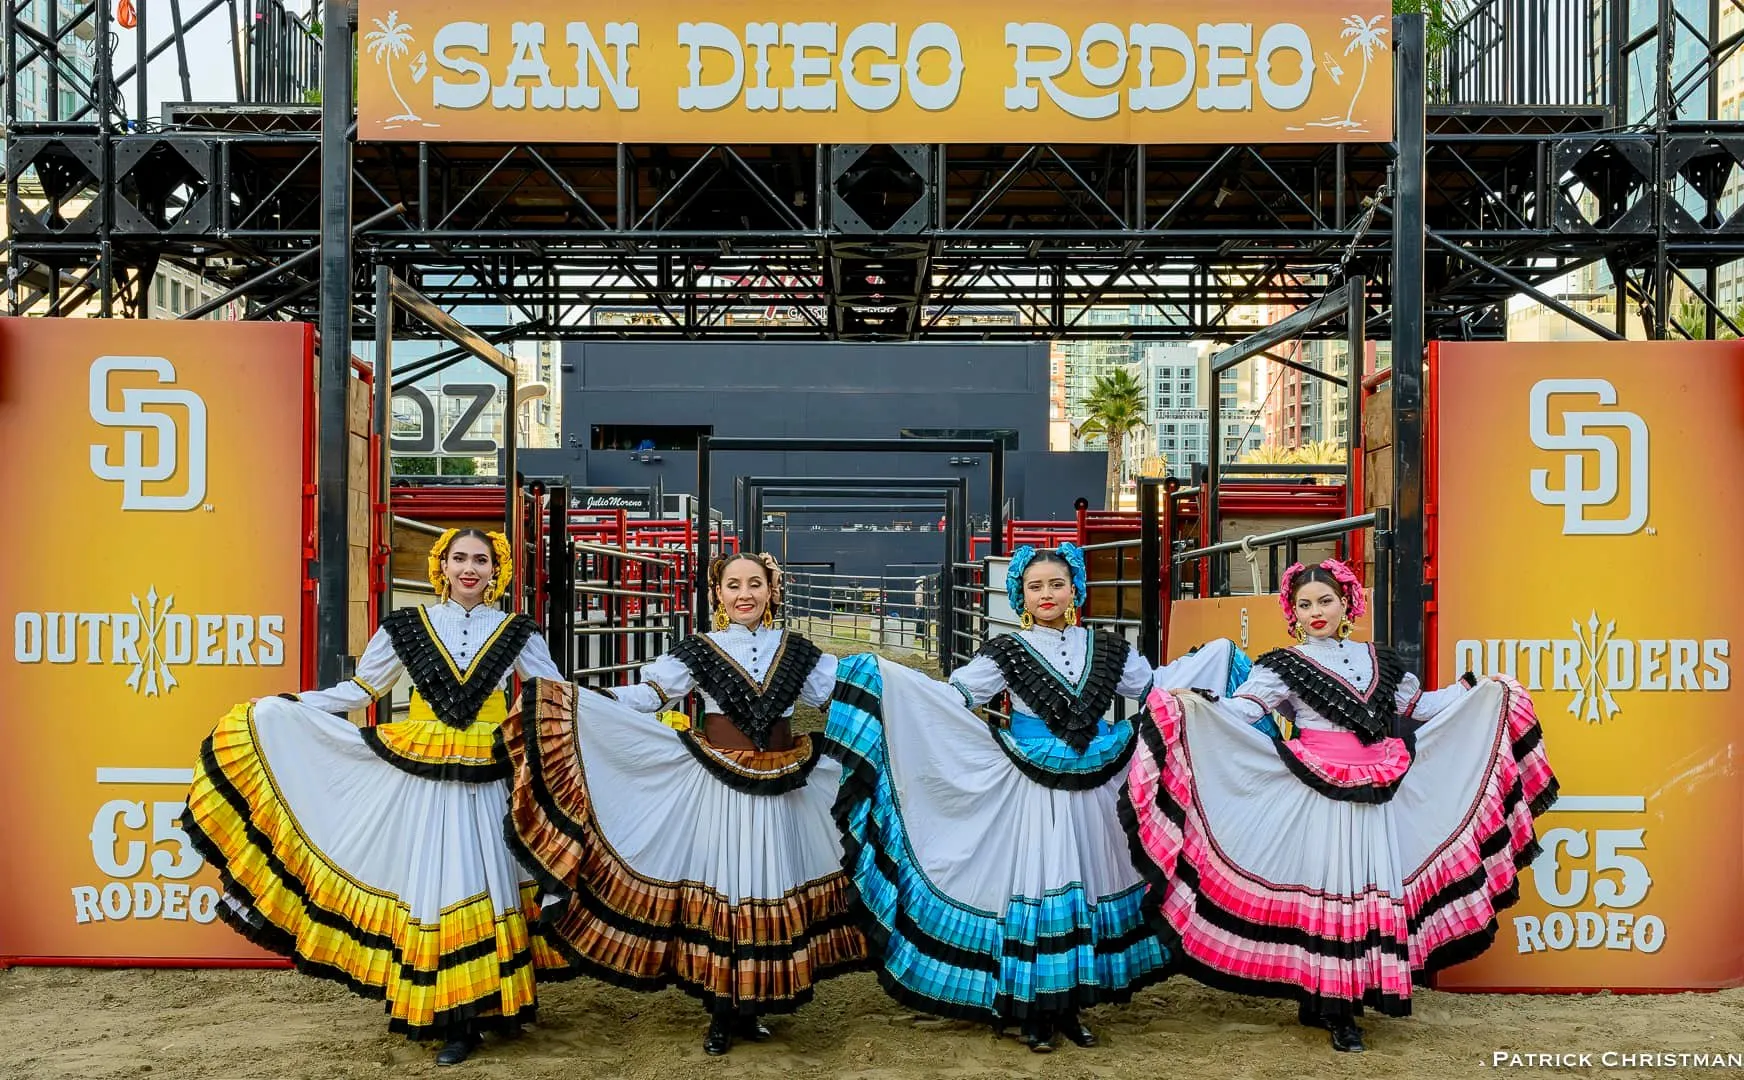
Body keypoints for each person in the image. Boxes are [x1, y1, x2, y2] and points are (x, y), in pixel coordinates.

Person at [825, 543, 1251, 1053]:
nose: (1046, 594)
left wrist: (1213, 661)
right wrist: (888, 679)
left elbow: (1156, 688)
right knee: (1044, 884)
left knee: (1087, 883)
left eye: (1056, 584)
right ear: (1019, 595)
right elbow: (954, 696)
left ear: (1075, 588)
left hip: (1097, 780)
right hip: (1033, 785)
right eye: (1035, 586)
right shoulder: (1006, 651)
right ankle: (1036, 1009)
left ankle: (1069, 1005)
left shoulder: (1110, 648)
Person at [1123, 560, 1559, 1053]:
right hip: (1319, 791)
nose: (1316, 612)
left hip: (1378, 787)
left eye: (1325, 601)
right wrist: (1197, 703)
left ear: (1347, 602)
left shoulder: (1382, 661)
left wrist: (1479, 692)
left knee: (1367, 886)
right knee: (1332, 890)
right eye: (1305, 604)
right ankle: (1334, 1009)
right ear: (1292, 611)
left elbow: (1423, 708)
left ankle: (1342, 998)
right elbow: (1247, 710)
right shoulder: (1281, 666)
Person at [180, 528, 574, 1067]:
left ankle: (478, 1006)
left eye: (480, 560)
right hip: (420, 771)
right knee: (434, 882)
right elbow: (363, 690)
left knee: (485, 877)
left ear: (496, 570)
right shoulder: (405, 627)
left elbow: (554, 695)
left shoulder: (518, 632)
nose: (469, 569)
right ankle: (451, 1014)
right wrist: (292, 706)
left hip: (488, 768)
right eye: (460, 558)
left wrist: (627, 715)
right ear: (443, 566)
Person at [500, 552, 866, 1056]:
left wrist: (900, 695)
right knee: (728, 883)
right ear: (717, 593)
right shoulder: (699, 650)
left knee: (768, 881)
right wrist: (586, 698)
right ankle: (721, 1009)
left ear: (771, 591)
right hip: (718, 782)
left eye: (755, 584)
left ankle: (752, 1007)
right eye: (733, 584)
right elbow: (651, 695)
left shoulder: (797, 651)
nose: (745, 594)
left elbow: (840, 692)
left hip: (783, 781)